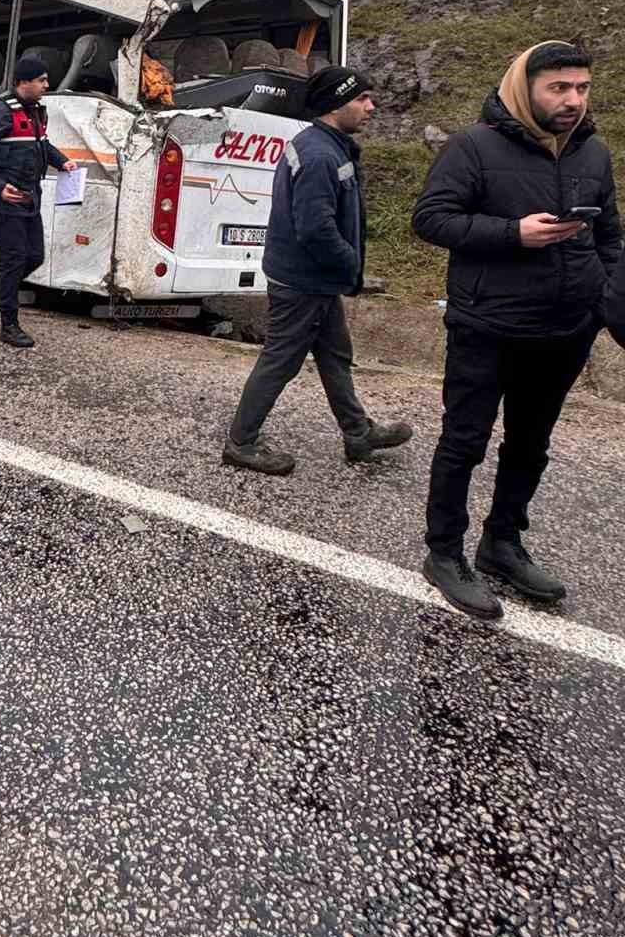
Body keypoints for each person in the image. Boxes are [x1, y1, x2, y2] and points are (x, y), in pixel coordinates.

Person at [413, 41, 620, 620]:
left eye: (581, 88)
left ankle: (502, 543)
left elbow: (609, 237)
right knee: (465, 442)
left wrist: (603, 301)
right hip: (487, 324)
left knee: (530, 445)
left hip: (564, 330)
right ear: (523, 88)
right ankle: (444, 554)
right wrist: (513, 234)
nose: (573, 100)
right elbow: (431, 218)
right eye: (559, 88)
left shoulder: (593, 155)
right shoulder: (472, 146)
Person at [221, 65, 413, 476]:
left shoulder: (323, 144)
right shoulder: (320, 154)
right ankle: (241, 442)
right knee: (281, 360)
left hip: (315, 278)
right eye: (361, 99)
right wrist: (351, 265)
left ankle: (358, 433)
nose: (371, 106)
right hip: (303, 280)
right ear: (334, 104)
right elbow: (315, 227)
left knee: (334, 355)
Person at [0, 55, 76, 349]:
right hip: (2, 201)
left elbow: (41, 144)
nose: (46, 85)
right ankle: (9, 326)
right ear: (23, 82)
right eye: (41, 80)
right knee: (14, 259)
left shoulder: (37, 112)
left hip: (29, 198)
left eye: (46, 80)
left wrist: (62, 162)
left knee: (34, 256)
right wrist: (0, 187)